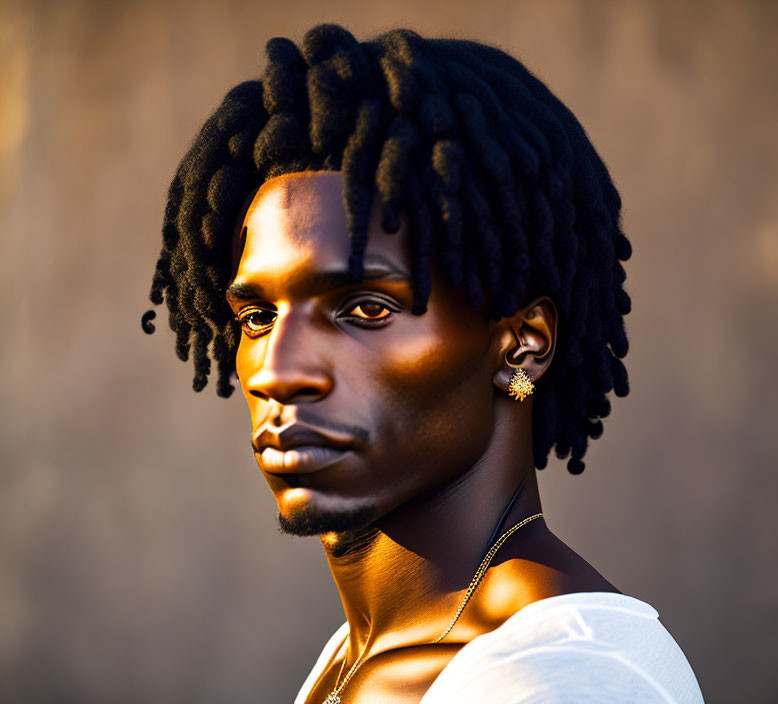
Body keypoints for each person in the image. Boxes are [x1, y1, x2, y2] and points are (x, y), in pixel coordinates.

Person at [141, 24, 704, 704]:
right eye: (258, 316)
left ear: (522, 343)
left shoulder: (568, 678)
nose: (279, 372)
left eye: (366, 309)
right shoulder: (363, 653)